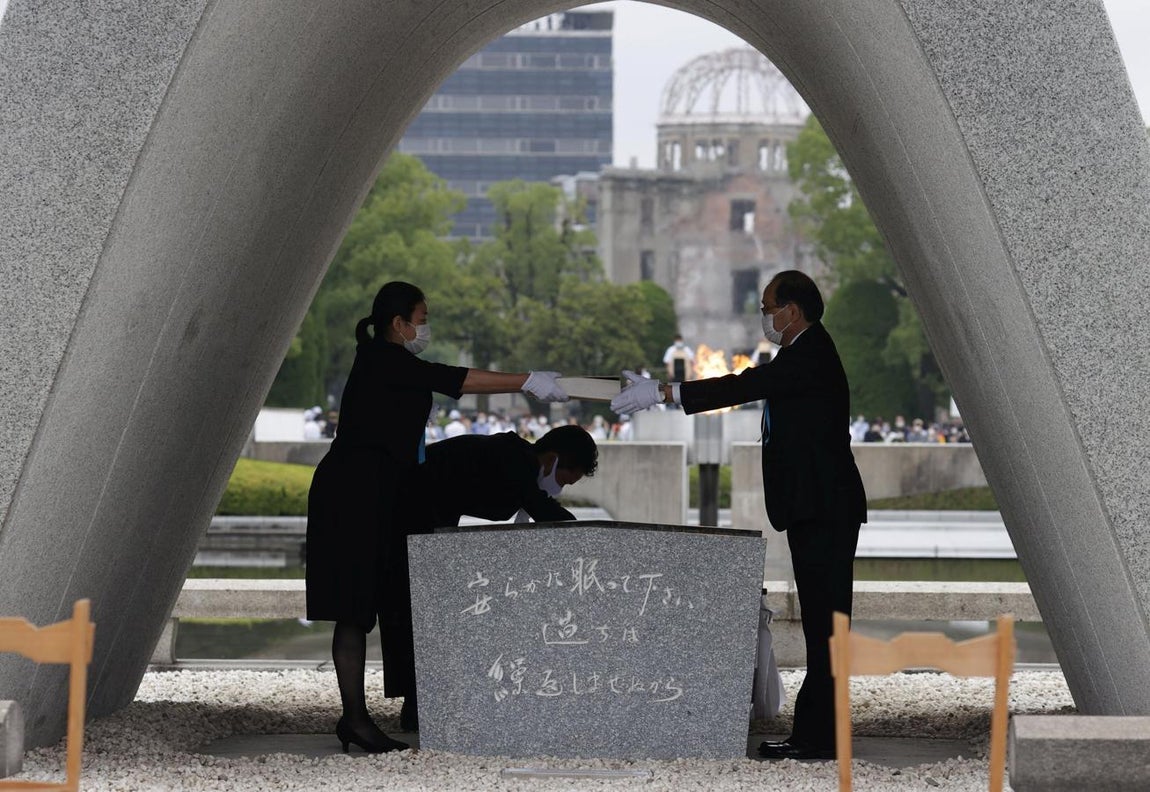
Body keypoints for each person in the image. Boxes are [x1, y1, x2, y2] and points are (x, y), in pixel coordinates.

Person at [610, 270, 866, 761]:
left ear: (792, 311)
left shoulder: (809, 353)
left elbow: (745, 385)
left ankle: (819, 739)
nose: (764, 315)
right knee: (823, 623)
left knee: (827, 625)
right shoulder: (803, 351)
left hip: (825, 508)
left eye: (769, 307)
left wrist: (666, 393)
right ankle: (820, 734)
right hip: (818, 507)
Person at [305, 280, 569, 754]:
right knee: (355, 606)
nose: (424, 328)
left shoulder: (390, 361)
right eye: (421, 320)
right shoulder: (384, 359)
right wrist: (526, 380)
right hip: (354, 490)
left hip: (380, 489)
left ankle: (358, 718)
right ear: (399, 323)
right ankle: (355, 719)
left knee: (365, 603)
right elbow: (456, 380)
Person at [389, 424, 599, 730]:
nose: (561, 489)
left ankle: (420, 703)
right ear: (552, 459)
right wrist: (591, 538)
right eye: (565, 479)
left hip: (426, 515)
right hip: (409, 511)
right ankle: (419, 706)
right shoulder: (515, 459)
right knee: (418, 612)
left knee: (423, 612)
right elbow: (542, 508)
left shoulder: (516, 459)